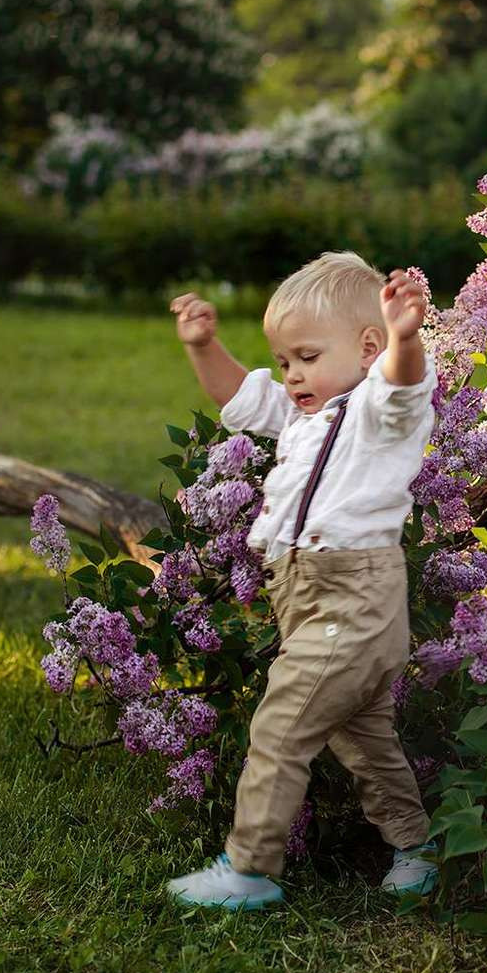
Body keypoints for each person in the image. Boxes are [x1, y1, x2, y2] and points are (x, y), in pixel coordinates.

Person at [163, 251, 439, 910]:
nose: (291, 375)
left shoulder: (377, 410)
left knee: (281, 727)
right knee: (363, 739)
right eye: (284, 361)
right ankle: (417, 850)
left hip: (354, 596)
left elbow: (403, 385)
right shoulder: (302, 417)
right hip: (308, 597)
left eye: (307, 357)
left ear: (367, 347)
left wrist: (404, 338)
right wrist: (203, 346)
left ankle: (248, 869)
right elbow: (238, 396)